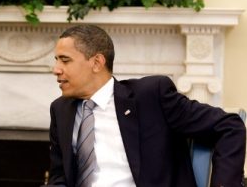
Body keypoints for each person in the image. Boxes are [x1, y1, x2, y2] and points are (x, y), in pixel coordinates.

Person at [47, 24, 246, 187]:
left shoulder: (150, 96)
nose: (56, 70)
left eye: (65, 60)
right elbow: (60, 178)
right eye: (56, 60)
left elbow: (230, 126)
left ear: (97, 62)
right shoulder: (61, 110)